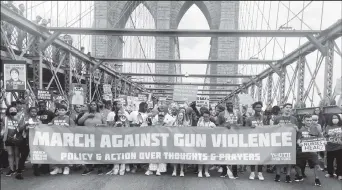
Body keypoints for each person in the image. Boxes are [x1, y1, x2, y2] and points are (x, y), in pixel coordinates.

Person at [78, 101, 106, 175]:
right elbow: (79, 122)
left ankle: (100, 168)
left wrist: (100, 126)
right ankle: (88, 168)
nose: (93, 106)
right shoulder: (86, 114)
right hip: (88, 136)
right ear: (89, 106)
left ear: (97, 106)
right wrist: (86, 116)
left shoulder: (100, 114)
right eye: (91, 105)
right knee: (88, 152)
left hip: (98, 135)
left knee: (98, 152)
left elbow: (106, 125)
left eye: (94, 105)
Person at [273, 103, 299, 183]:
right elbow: (272, 130)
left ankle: (288, 175)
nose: (288, 109)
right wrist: (277, 126)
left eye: (290, 108)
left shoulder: (294, 119)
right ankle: (278, 174)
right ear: (283, 109)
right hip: (280, 141)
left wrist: (296, 128)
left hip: (290, 141)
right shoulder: (277, 118)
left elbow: (298, 130)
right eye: (287, 107)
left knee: (289, 159)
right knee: (279, 157)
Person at [295, 115, 323, 186]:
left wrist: (324, 141)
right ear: (303, 121)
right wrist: (299, 143)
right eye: (307, 120)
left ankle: (317, 179)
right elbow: (298, 140)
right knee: (296, 163)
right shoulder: (300, 130)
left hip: (312, 151)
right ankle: (300, 176)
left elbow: (321, 138)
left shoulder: (316, 129)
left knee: (316, 164)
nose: (309, 122)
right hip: (302, 150)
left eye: (310, 120)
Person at [217, 101, 241, 178]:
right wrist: (224, 125)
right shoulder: (221, 114)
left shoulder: (238, 113)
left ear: (233, 105)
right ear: (226, 105)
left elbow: (242, 123)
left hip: (235, 137)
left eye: (231, 104)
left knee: (234, 154)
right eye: (228, 104)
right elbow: (218, 124)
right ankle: (224, 171)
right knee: (223, 154)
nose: (230, 105)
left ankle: (235, 172)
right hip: (224, 137)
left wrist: (238, 125)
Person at [49, 105, 75, 176]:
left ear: (66, 111)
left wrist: (69, 127)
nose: (61, 111)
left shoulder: (69, 119)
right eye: (60, 110)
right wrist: (49, 125)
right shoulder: (55, 118)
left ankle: (66, 167)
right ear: (57, 111)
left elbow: (74, 128)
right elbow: (51, 127)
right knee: (57, 153)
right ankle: (58, 167)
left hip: (66, 138)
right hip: (57, 138)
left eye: (63, 110)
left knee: (66, 153)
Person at [16, 106, 41, 179]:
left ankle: (36, 170)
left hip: (35, 140)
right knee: (23, 156)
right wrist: (26, 125)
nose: (34, 113)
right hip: (25, 140)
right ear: (29, 112)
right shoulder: (25, 119)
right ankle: (19, 172)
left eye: (35, 111)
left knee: (35, 155)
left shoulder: (38, 120)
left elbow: (43, 129)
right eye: (32, 111)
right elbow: (19, 129)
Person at [106, 109, 130, 175]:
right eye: (118, 113)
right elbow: (111, 129)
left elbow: (128, 128)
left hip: (123, 137)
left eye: (121, 113)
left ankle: (122, 168)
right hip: (116, 138)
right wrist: (116, 125)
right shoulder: (115, 118)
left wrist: (124, 124)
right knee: (116, 153)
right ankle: (116, 168)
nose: (120, 114)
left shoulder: (125, 119)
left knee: (123, 153)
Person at [246, 101, 265, 181]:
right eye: (257, 107)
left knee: (261, 157)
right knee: (253, 156)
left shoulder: (264, 118)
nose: (259, 109)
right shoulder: (249, 119)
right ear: (254, 108)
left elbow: (269, 127)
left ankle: (260, 172)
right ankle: (252, 172)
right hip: (252, 140)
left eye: (260, 107)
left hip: (262, 139)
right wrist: (250, 127)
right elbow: (245, 130)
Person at [1, 105, 21, 177]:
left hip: (17, 138)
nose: (13, 111)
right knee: (10, 154)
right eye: (11, 110)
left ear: (16, 111)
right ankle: (12, 169)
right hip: (8, 138)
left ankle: (18, 169)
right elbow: (3, 127)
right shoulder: (4, 118)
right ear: (8, 111)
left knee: (17, 154)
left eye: (14, 110)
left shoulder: (19, 117)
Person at [196, 110, 215, 178]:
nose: (205, 118)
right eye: (204, 117)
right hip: (201, 142)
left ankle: (206, 171)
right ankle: (200, 171)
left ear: (209, 116)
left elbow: (216, 133)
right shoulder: (200, 123)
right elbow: (196, 131)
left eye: (206, 117)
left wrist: (213, 130)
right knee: (200, 157)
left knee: (207, 157)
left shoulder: (212, 124)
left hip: (209, 142)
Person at [324, 114, 342, 180]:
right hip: (330, 147)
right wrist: (327, 134)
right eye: (333, 118)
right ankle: (330, 173)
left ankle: (339, 174)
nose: (335, 119)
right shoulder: (328, 126)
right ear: (331, 119)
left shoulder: (341, 126)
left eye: (336, 118)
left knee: (340, 161)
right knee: (329, 161)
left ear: (339, 119)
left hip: (339, 147)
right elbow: (324, 135)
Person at [171, 111, 189, 177]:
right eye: (179, 115)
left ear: (183, 116)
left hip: (182, 142)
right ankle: (174, 170)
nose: (180, 117)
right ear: (177, 116)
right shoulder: (174, 123)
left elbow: (188, 132)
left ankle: (181, 170)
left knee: (182, 157)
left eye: (181, 115)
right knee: (175, 156)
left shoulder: (185, 124)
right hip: (175, 142)